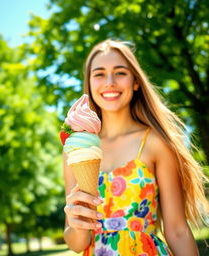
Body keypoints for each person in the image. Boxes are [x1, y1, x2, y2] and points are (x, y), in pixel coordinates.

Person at [62, 39, 209, 255]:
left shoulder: (155, 142)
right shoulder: (75, 149)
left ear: (136, 82)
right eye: (99, 73)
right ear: (89, 84)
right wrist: (76, 224)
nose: (109, 81)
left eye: (120, 72)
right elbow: (76, 243)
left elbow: (177, 230)